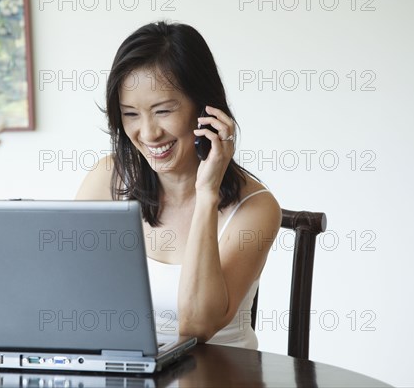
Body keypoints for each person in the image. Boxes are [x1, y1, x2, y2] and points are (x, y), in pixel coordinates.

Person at [76, 21, 281, 349]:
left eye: (163, 111)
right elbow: (65, 290)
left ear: (204, 110)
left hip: (220, 377)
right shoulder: (109, 180)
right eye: (130, 114)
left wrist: (206, 194)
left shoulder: (257, 207)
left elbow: (196, 326)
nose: (148, 133)